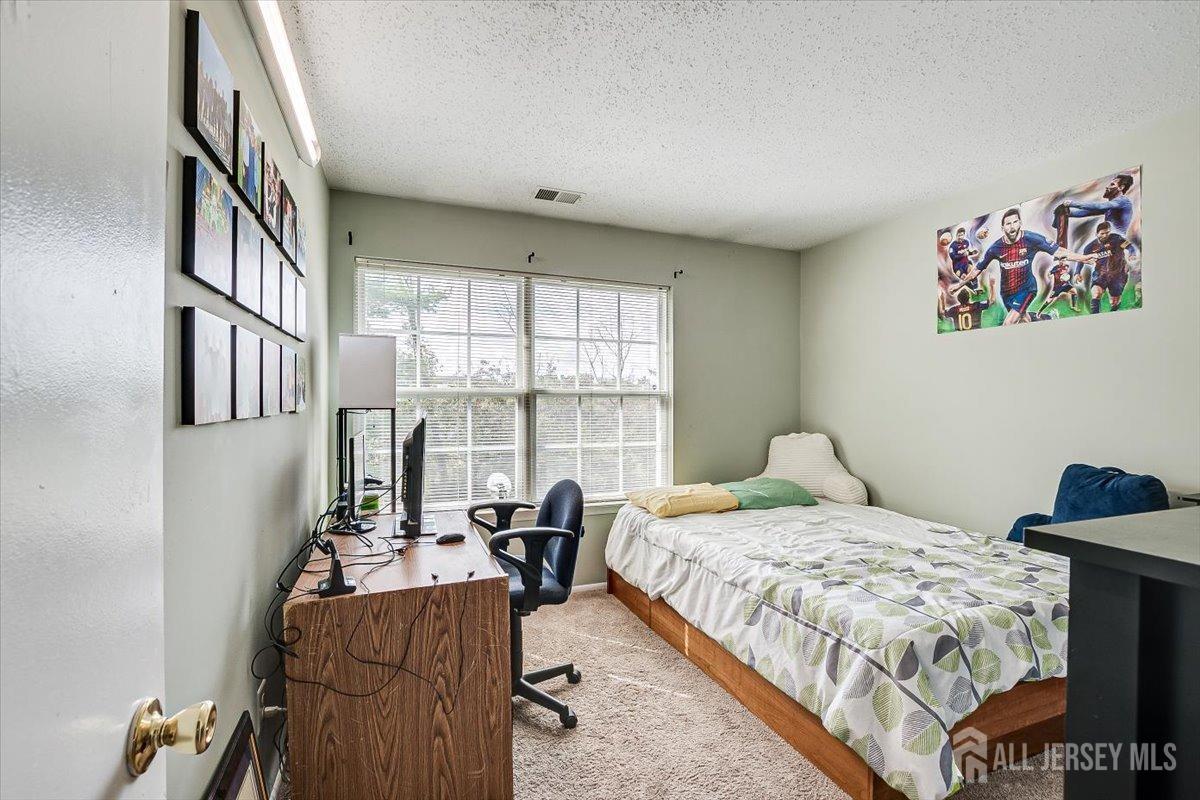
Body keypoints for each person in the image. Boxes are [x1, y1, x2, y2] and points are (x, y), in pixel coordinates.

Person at [963, 208, 1096, 325]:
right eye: (1008, 224)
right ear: (1003, 227)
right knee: (1023, 320)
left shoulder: (1031, 239)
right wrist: (960, 284)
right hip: (1007, 292)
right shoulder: (996, 248)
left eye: (1015, 222)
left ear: (1020, 223)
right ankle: (1047, 318)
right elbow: (978, 268)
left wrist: (1083, 258)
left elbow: (1059, 251)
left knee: (1008, 324)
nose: (1012, 226)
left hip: (1027, 289)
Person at [1083, 221, 1139, 314]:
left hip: (1118, 274)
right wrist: (1077, 273)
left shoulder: (1117, 239)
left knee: (1114, 302)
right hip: (1101, 273)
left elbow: (1129, 246)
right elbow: (1082, 259)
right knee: (1096, 294)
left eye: (1107, 232)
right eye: (1102, 233)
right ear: (1097, 234)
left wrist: (1132, 253)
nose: (1105, 235)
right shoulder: (1090, 247)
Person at [1059, 173, 1135, 233]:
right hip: (1109, 241)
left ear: (1121, 188)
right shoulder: (1112, 206)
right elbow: (1088, 212)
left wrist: (1071, 203)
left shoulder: (1123, 201)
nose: (1107, 187)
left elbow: (1099, 206)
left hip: (1117, 242)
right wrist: (1068, 213)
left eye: (1112, 184)